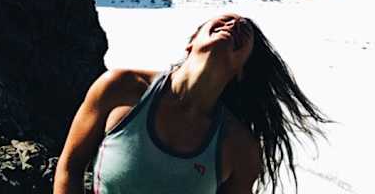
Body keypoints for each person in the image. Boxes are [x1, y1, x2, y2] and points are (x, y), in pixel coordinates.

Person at [53, 13, 328, 194]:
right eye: (224, 21)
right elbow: (69, 167)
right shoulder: (121, 88)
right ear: (191, 42)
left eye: (243, 34)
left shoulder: (239, 148)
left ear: (242, 70)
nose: (233, 26)